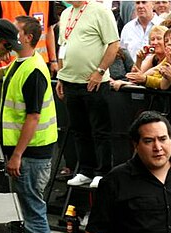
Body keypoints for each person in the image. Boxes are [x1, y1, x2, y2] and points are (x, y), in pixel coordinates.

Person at [0, 15, 59, 233]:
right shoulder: (21, 63)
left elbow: (33, 117)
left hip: (32, 153)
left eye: (17, 30)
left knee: (32, 209)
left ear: (27, 38)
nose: (12, 32)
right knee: (34, 206)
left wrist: (17, 155)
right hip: (31, 151)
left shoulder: (32, 69)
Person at [58, 1, 120, 189]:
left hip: (94, 82)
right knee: (79, 130)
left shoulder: (100, 10)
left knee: (100, 130)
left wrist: (100, 71)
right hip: (70, 81)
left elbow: (114, 43)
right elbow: (63, 46)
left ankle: (103, 171)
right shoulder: (65, 13)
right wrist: (61, 75)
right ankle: (85, 170)